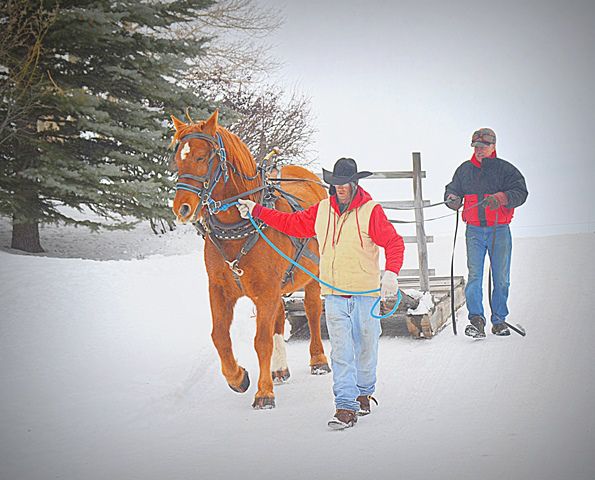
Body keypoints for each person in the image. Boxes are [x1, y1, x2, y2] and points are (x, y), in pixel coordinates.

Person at [238, 158, 405, 430]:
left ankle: (364, 392)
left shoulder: (370, 211)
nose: (339, 188)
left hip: (365, 294)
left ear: (354, 183)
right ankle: (345, 407)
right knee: (341, 352)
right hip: (336, 294)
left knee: (366, 347)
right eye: (335, 184)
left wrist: (391, 273)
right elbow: (289, 223)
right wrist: (256, 210)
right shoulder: (322, 211)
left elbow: (394, 242)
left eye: (344, 184)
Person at [444, 128, 528, 338]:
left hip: (499, 230)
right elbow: (452, 189)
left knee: (501, 278)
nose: (479, 150)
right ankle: (477, 320)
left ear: (493, 146)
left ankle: (499, 321)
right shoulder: (464, 170)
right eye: (476, 147)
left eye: (483, 146)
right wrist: (452, 198)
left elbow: (520, 192)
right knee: (474, 276)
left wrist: (501, 198)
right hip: (473, 231)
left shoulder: (505, 170)